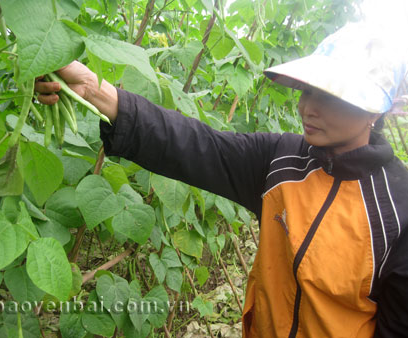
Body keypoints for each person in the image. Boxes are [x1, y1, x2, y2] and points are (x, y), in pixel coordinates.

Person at [35, 23, 408, 337]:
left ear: (377, 109)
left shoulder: (399, 205)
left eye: (331, 95)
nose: (308, 107)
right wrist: (92, 89)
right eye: (307, 90)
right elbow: (197, 146)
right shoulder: (282, 160)